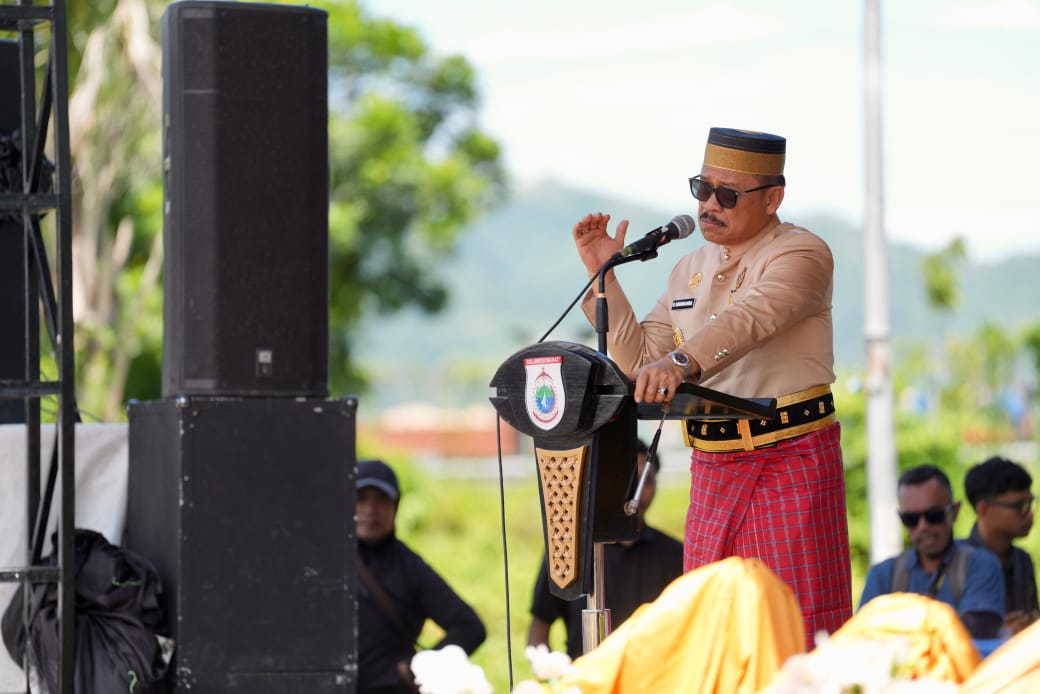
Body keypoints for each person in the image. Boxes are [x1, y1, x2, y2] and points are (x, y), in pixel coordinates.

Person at [571, 127, 850, 647]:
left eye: (728, 194)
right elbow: (641, 360)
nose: (710, 205)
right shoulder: (688, 268)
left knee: (795, 630)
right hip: (713, 468)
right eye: (703, 189)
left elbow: (749, 321)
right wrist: (602, 274)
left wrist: (680, 361)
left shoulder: (803, 252)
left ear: (773, 198)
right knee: (714, 633)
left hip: (788, 460)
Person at [527, 440, 683, 659]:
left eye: (646, 481)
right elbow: (539, 629)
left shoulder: (675, 555)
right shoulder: (568, 549)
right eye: (629, 482)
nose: (636, 495)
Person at [356, 459, 486, 694]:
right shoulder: (326, 564)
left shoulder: (410, 567)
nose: (370, 509)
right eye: (361, 498)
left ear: (396, 506)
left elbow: (470, 627)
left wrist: (417, 668)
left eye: (381, 500)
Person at [859, 464, 1005, 639]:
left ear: (955, 511)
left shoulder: (981, 565)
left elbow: (979, 629)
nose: (923, 526)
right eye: (911, 519)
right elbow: (862, 637)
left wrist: (901, 622)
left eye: (934, 515)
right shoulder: (883, 574)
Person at [964, 455, 1039, 635]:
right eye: (1020, 506)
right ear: (983, 509)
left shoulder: (1022, 560)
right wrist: (996, 633)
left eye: (1030, 504)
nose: (1029, 515)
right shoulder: (958, 563)